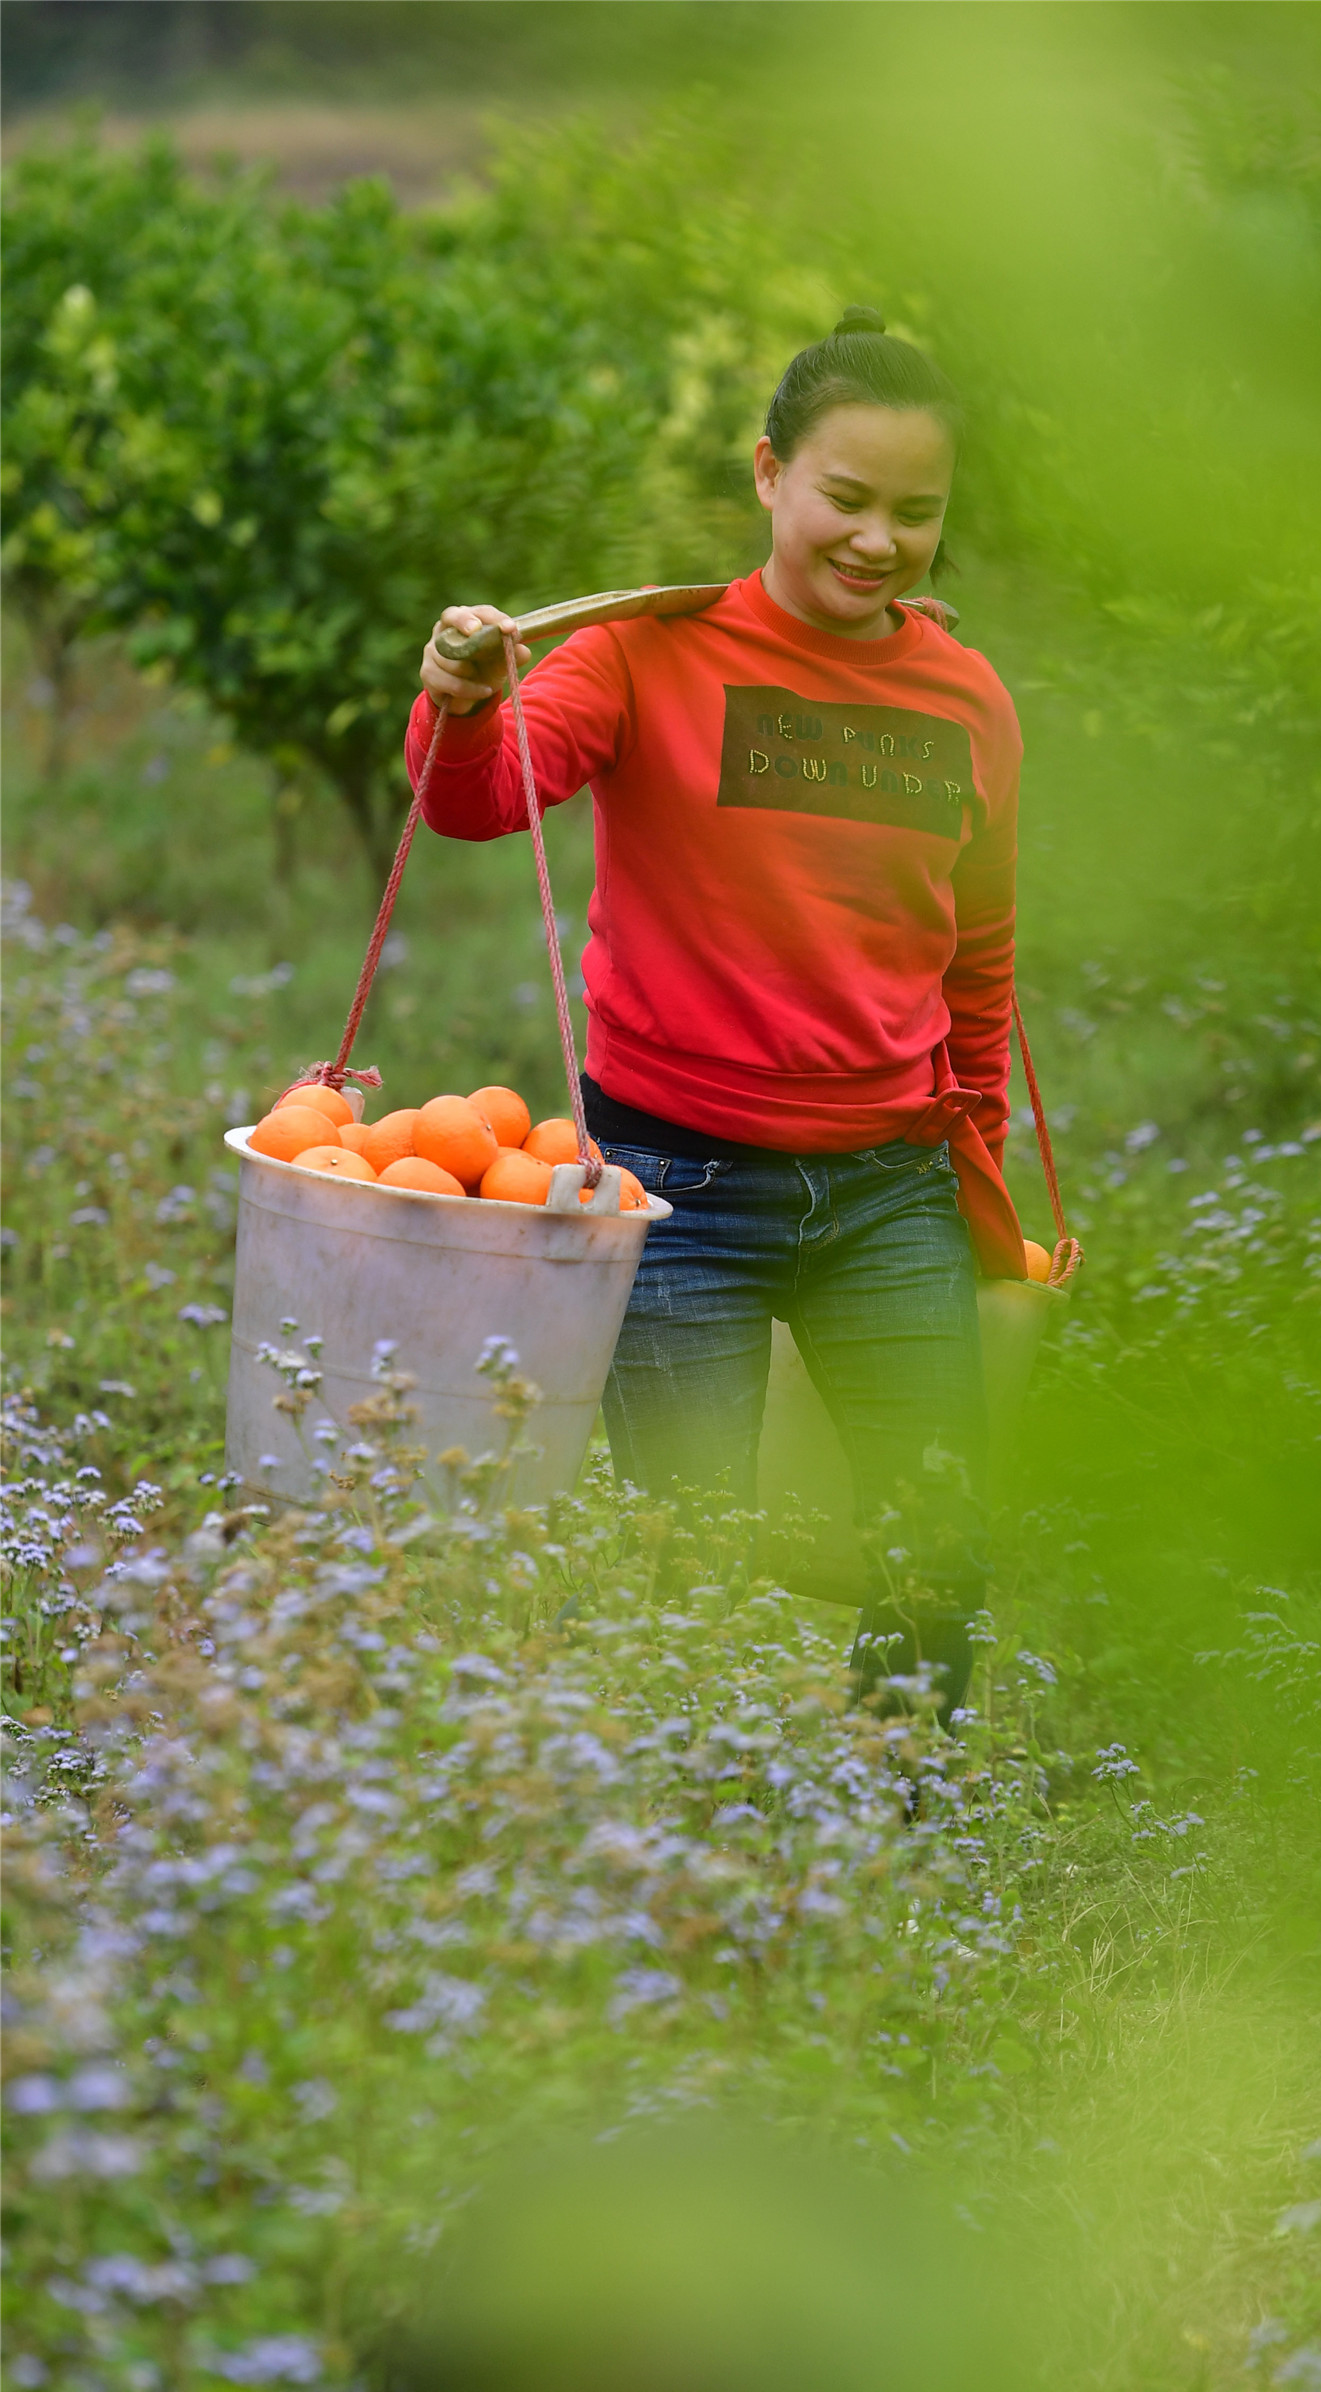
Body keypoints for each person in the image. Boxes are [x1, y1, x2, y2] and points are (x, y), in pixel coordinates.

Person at [409, 306, 1028, 1731]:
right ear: (768, 473)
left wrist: (977, 1168)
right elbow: (481, 802)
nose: (878, 539)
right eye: (846, 497)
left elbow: (979, 957)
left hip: (889, 1187)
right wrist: (460, 705)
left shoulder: (967, 698)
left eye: (917, 513)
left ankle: (901, 1811)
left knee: (938, 1543)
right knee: (687, 1560)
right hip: (673, 1184)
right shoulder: (647, 655)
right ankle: (700, 1825)